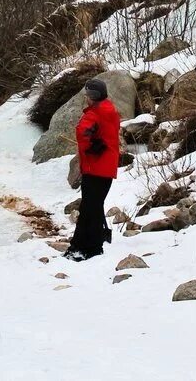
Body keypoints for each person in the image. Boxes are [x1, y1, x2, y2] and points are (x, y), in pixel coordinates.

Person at [64, 78, 120, 262]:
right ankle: (84, 246)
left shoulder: (95, 113)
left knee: (90, 208)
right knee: (93, 206)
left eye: (87, 94)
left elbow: (82, 132)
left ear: (91, 96)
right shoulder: (109, 109)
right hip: (106, 167)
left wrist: (90, 146)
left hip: (95, 167)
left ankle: (88, 248)